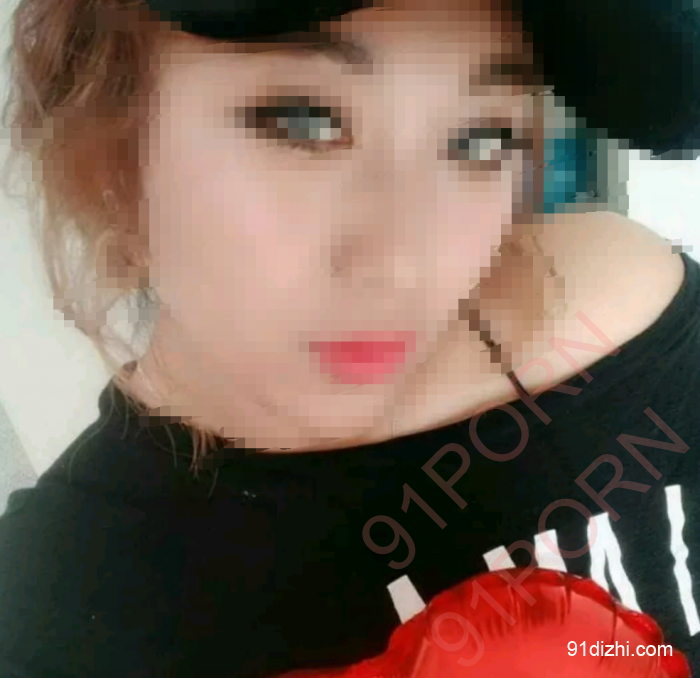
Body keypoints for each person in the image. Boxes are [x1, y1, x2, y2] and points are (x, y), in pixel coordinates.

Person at [0, 0, 698, 676]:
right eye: (303, 121)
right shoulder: (50, 620)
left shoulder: (632, 314)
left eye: (482, 138)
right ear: (115, 151)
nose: (407, 269)